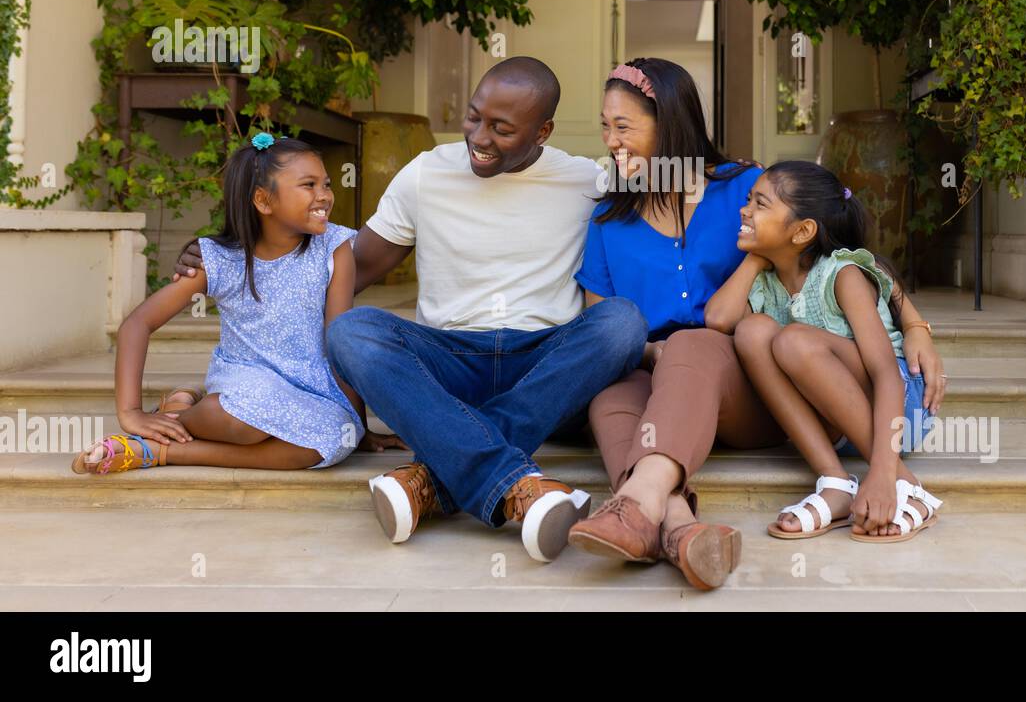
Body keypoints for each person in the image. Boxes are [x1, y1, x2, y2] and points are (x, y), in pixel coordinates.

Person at [173, 57, 646, 563]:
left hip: (544, 367)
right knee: (354, 332)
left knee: (622, 323)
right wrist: (235, 251)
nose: (479, 138)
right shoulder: (426, 172)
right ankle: (511, 482)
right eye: (474, 117)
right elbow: (348, 269)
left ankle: (429, 479)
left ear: (543, 131)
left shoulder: (586, 181)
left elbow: (666, 221)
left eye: (501, 129)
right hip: (448, 364)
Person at [565, 59, 949, 589]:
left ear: (670, 124)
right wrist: (646, 353)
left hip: (744, 384)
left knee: (695, 342)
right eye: (606, 126)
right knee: (608, 396)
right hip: (653, 379)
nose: (611, 140)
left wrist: (915, 325)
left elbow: (843, 256)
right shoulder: (609, 218)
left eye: (624, 127)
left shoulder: (744, 190)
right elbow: (599, 324)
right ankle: (675, 527)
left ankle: (640, 507)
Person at [74, 133, 394, 475]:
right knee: (245, 421)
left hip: (313, 391)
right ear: (263, 200)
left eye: (326, 184)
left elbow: (340, 342)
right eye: (309, 185)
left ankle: (162, 450)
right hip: (247, 382)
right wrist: (130, 412)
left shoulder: (334, 248)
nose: (325, 196)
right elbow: (138, 323)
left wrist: (357, 426)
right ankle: (184, 411)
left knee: (326, 444)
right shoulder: (220, 259)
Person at [708, 160, 943, 542]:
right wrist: (755, 255)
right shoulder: (765, 284)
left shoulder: (842, 275)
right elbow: (719, 319)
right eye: (749, 200)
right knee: (752, 330)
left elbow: (885, 372)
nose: (744, 209)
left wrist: (881, 472)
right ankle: (834, 481)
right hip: (832, 422)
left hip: (898, 410)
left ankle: (906, 486)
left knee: (794, 340)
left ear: (802, 231)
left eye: (760, 204)